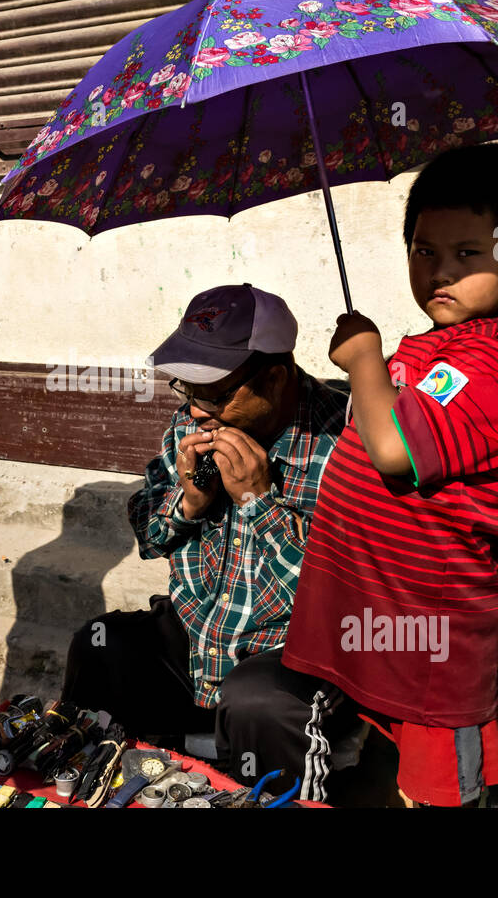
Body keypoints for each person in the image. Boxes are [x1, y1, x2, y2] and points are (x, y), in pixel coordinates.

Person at [275, 144, 498, 807]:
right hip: (389, 614)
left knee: (444, 790)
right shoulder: (434, 345)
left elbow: (395, 450)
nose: (439, 273)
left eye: (466, 254)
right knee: (400, 770)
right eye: (424, 251)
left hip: (434, 636)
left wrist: (364, 360)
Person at [60, 282, 349, 793]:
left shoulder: (346, 444)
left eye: (215, 395)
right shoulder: (189, 425)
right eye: (186, 390)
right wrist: (189, 504)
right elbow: (150, 534)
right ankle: (99, 785)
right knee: (101, 646)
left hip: (291, 654)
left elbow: (340, 593)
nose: (195, 412)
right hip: (197, 639)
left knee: (260, 703)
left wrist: (259, 503)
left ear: (276, 379)